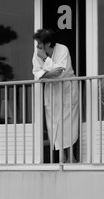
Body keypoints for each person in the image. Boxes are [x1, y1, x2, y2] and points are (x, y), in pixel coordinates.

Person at [32, 29, 79, 163]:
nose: (38, 47)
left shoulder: (62, 49)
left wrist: (45, 60)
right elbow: (37, 73)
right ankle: (61, 156)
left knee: (68, 123)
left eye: (40, 43)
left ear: (49, 43)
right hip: (51, 90)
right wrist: (49, 73)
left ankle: (71, 156)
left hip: (67, 89)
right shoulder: (37, 53)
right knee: (53, 123)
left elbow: (61, 73)